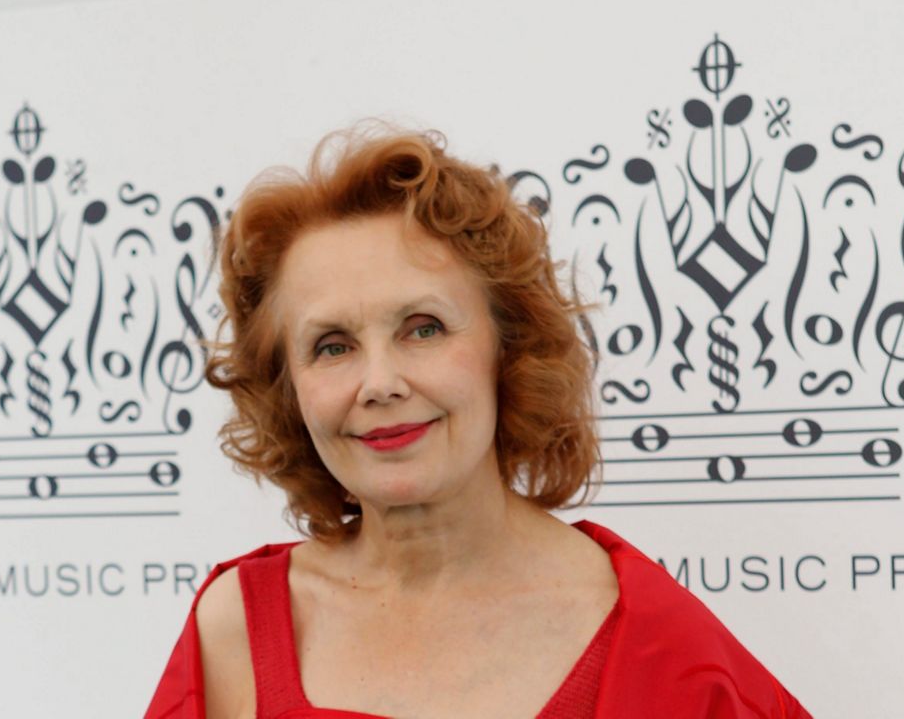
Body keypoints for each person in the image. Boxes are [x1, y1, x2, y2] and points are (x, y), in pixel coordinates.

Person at [145, 123, 812, 718]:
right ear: (288, 392)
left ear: (508, 349)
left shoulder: (655, 647)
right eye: (333, 346)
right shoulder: (231, 634)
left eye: (423, 328)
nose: (379, 383)